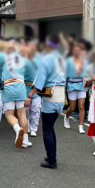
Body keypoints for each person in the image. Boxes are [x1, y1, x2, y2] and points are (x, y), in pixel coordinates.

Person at [28, 35, 67, 169]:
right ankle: (52, 155)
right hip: (61, 96)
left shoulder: (47, 59)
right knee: (51, 127)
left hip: (51, 97)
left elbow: (40, 79)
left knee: (47, 129)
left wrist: (31, 94)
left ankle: (52, 160)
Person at [64, 39, 88, 133]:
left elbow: (87, 72)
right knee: (72, 107)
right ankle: (66, 117)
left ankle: (81, 126)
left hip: (82, 84)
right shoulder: (69, 61)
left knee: (81, 106)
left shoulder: (84, 61)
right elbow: (65, 73)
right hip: (71, 84)